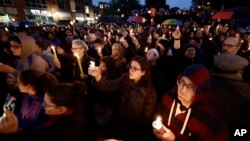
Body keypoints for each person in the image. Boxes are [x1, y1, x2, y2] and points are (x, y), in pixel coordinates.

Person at [89, 56, 157, 141]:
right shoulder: (125, 78)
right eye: (130, 67)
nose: (130, 70)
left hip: (133, 130)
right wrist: (98, 76)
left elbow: (146, 118)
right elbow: (109, 86)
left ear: (143, 72)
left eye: (135, 68)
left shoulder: (149, 92)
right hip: (118, 122)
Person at [153, 64, 228, 141]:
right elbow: (158, 115)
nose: (182, 90)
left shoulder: (212, 127)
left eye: (191, 87)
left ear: (201, 90)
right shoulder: (168, 97)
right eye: (182, 82)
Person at [0, 69, 57, 141]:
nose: (17, 84)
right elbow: (21, 113)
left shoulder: (46, 102)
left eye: (18, 82)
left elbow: (44, 127)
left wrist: (20, 125)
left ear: (28, 86)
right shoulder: (26, 96)